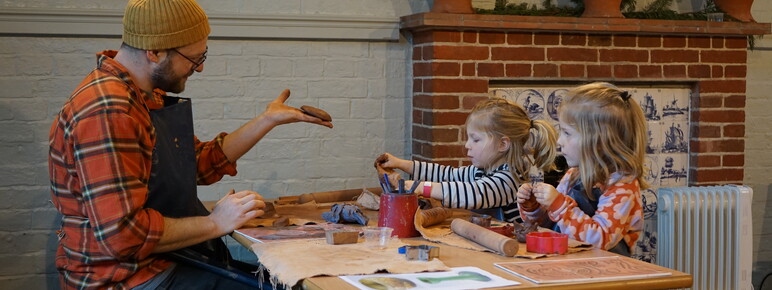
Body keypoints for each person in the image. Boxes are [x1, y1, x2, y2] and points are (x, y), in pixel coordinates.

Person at [47, 0, 332, 288]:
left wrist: (266, 120)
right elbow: (122, 236)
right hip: (126, 278)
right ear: (155, 51)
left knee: (284, 282)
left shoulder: (143, 94)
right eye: (194, 58)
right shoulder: (109, 111)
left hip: (164, 260)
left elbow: (194, 165)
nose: (201, 67)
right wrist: (216, 223)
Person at [516, 82, 647, 256]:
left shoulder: (622, 184)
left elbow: (600, 240)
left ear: (599, 141)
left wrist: (559, 205)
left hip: (605, 274)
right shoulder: (573, 175)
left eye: (567, 133)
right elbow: (550, 224)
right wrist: (534, 208)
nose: (559, 141)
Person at [376, 97, 558, 223]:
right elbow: (447, 175)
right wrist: (401, 164)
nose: (467, 145)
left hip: (510, 251)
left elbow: (473, 194)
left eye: (476, 139)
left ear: (503, 144)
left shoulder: (510, 180)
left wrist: (420, 187)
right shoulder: (484, 170)